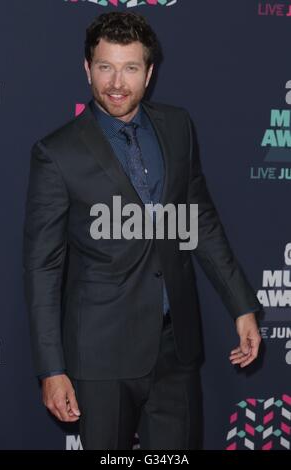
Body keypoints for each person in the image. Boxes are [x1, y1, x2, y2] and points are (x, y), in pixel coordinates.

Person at [23, 11, 261, 450]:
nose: (117, 82)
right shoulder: (56, 153)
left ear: (149, 72)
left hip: (176, 349)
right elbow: (43, 269)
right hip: (100, 358)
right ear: (86, 68)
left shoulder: (177, 127)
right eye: (105, 67)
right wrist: (51, 370)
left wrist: (241, 305)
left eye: (130, 67)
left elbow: (200, 222)